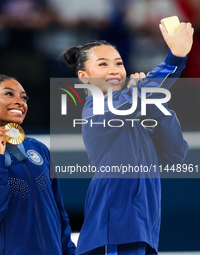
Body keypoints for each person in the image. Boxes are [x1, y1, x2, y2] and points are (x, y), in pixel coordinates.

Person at [63, 22, 193, 254]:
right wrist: (175, 58)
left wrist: (153, 103)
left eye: (119, 63)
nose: (114, 70)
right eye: (103, 64)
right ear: (84, 77)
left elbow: (174, 154)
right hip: (112, 234)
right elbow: (141, 93)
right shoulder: (96, 109)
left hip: (144, 230)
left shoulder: (135, 119)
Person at [0, 74, 76, 255]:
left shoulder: (38, 148)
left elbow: (59, 212)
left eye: (24, 97)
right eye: (9, 94)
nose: (20, 102)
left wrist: (69, 251)